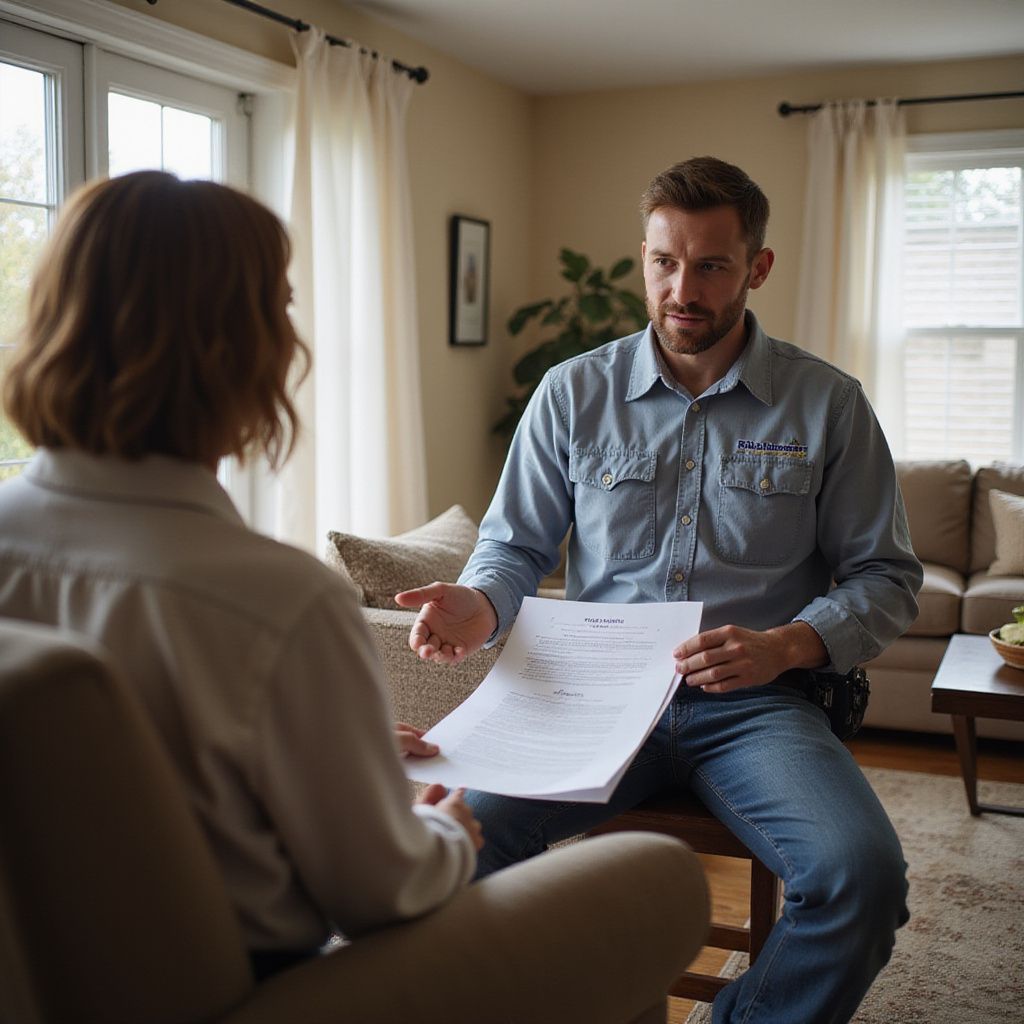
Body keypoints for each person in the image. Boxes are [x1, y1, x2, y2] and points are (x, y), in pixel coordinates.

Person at [397, 156, 924, 1023]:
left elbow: (887, 576)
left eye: (712, 265)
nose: (684, 288)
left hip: (756, 704)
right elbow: (513, 544)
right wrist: (481, 604)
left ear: (757, 268)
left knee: (862, 880)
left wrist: (787, 644)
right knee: (432, 857)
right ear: (642, 258)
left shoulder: (828, 404)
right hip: (584, 699)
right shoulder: (572, 393)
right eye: (664, 262)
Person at [0, 171, 485, 976]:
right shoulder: (280, 602)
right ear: (246, 348)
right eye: (281, 308)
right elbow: (378, 894)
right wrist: (445, 837)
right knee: (644, 875)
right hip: (243, 991)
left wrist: (330, 742)